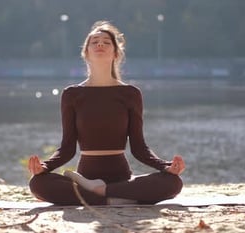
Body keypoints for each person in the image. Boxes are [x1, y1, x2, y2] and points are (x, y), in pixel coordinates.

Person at [28, 20, 185, 205]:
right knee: (38, 183)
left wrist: (166, 167)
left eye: (106, 42)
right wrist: (44, 167)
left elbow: (139, 148)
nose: (100, 44)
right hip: (86, 176)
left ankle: (100, 192)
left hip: (121, 177)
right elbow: (67, 149)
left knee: (173, 182)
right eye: (94, 42)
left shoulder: (130, 93)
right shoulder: (72, 94)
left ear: (116, 53)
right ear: (86, 53)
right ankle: (115, 198)